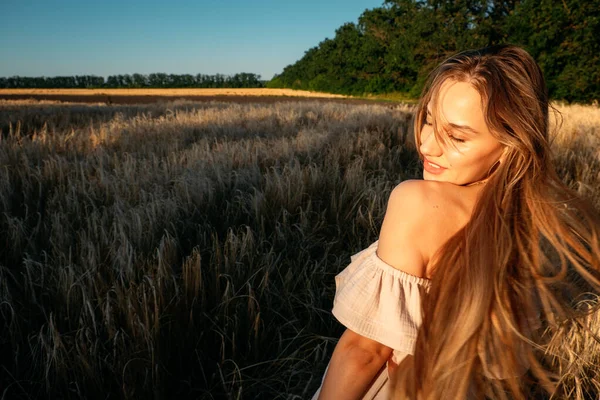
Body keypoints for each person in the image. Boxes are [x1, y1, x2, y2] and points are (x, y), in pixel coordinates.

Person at [311, 44, 600, 399]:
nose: (427, 145)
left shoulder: (416, 202)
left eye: (458, 137)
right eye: (430, 119)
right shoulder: (534, 221)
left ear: (511, 145)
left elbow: (364, 352)